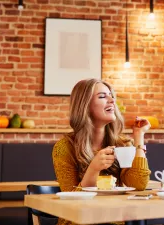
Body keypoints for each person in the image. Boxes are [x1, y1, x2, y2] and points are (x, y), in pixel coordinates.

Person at [52, 78, 151, 225]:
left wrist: (139, 138)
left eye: (111, 95)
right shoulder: (64, 147)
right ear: (84, 105)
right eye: (103, 96)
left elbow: (138, 184)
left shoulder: (122, 144)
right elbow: (71, 203)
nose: (112, 100)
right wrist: (93, 169)